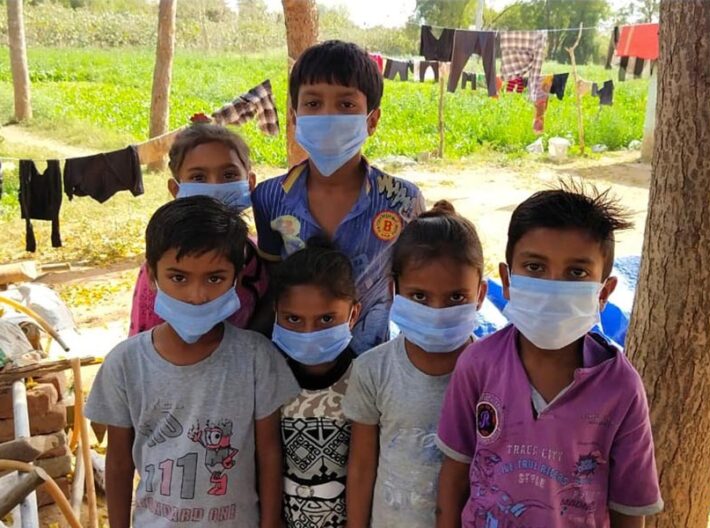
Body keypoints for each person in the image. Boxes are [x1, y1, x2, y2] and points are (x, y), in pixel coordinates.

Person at [435, 185, 664, 528]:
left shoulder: (621, 387)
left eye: (576, 273)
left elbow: (629, 509)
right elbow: (454, 477)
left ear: (604, 292)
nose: (554, 286)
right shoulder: (478, 364)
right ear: (507, 280)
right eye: (535, 267)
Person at [86, 196, 299, 528]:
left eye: (214, 278)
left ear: (236, 278)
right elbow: (118, 464)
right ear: (152, 274)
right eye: (179, 277)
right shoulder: (125, 364)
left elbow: (269, 454)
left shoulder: (257, 358)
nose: (196, 295)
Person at [252, 39, 425, 354]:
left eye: (346, 105)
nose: (328, 116)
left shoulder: (403, 200)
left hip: (372, 359)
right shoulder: (269, 197)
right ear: (294, 116)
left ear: (372, 120)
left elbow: (415, 288)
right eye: (313, 103)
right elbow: (271, 284)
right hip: (292, 359)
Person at [343, 201, 487, 527]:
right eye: (420, 296)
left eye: (456, 297)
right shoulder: (373, 370)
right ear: (394, 291)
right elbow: (362, 466)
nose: (437, 312)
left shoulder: (493, 373)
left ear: (480, 294)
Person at [129, 124, 269, 336]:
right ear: (175, 189)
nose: (215, 186)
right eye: (198, 177)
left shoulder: (260, 259)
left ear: (250, 183)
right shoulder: (163, 267)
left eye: (229, 174)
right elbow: (144, 339)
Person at [270, 237, 361, 527]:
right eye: (293, 319)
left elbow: (366, 467)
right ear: (275, 313)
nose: (309, 333)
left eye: (326, 319)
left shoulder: (365, 379)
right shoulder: (270, 378)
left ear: (353, 314)